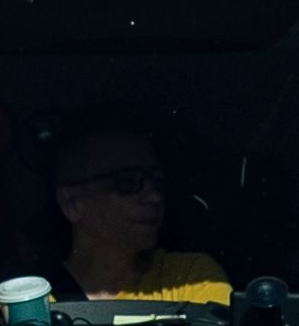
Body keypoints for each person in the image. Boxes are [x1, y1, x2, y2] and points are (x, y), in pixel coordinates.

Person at [40, 119, 234, 306]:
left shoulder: (190, 278)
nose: (154, 197)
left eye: (157, 180)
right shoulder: (34, 298)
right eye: (128, 180)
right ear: (72, 203)